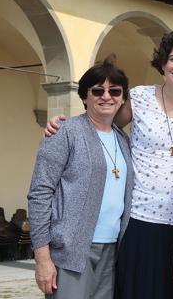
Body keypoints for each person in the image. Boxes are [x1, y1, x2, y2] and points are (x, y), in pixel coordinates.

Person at [45, 28, 173, 298]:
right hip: (138, 220)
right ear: (162, 62)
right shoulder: (140, 97)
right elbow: (101, 125)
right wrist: (63, 125)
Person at [28, 57, 134, 298]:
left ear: (123, 98)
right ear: (85, 97)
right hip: (70, 251)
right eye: (98, 90)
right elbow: (40, 194)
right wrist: (42, 258)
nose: (106, 96)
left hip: (111, 251)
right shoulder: (65, 132)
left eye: (115, 90)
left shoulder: (123, 140)